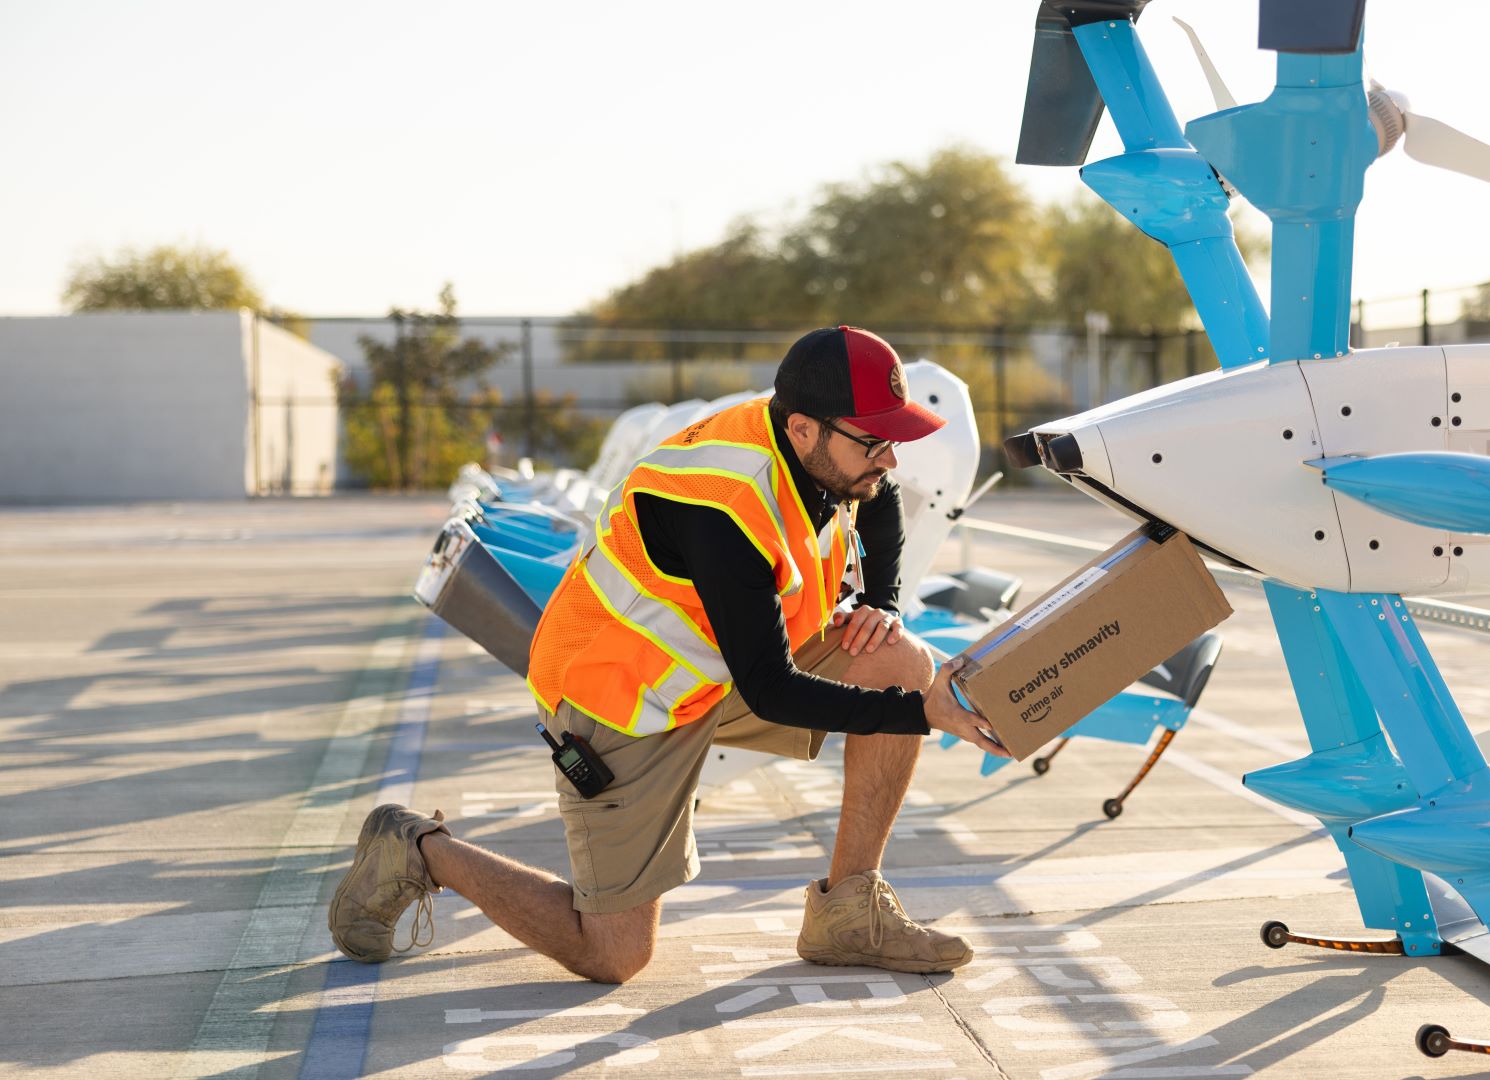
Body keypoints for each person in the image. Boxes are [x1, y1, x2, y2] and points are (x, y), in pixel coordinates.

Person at [328, 326, 1008, 984]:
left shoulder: (815, 446)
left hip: (709, 672)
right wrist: (925, 714)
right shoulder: (723, 507)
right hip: (620, 699)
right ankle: (418, 848)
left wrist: (882, 603)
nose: (889, 459)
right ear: (804, 428)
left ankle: (847, 915)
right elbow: (772, 689)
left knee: (896, 657)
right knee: (614, 955)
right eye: (874, 441)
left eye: (894, 440)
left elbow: (881, 498)